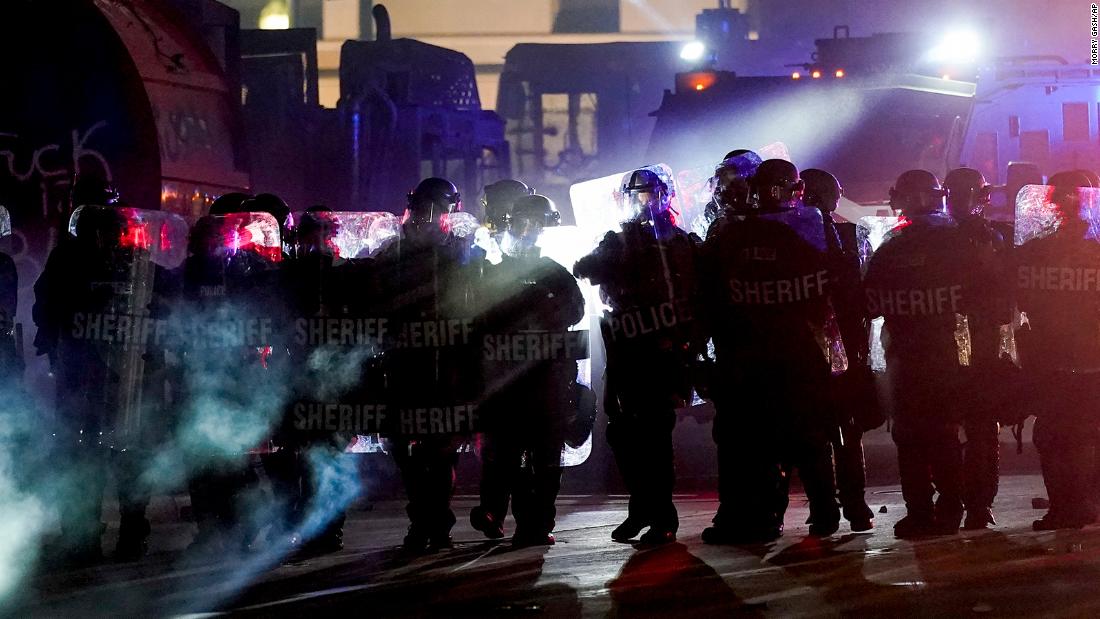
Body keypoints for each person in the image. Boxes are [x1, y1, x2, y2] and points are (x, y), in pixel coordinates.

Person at [701, 159, 843, 544]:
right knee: (777, 439)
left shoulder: (802, 227)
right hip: (771, 352)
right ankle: (794, 514)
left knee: (795, 437)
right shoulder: (745, 231)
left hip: (779, 352)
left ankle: (815, 512)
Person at [864, 169, 996, 538]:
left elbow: (869, 303)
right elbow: (985, 299)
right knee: (944, 435)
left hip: (905, 359)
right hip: (949, 356)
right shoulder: (960, 242)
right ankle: (951, 509)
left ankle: (920, 512)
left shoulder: (890, 246)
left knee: (910, 437)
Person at [574, 168, 701, 545]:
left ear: (663, 196)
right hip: (625, 350)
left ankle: (663, 518)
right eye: (636, 196)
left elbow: (693, 295)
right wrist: (621, 247)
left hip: (661, 352)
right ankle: (642, 509)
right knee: (621, 433)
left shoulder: (679, 242)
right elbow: (586, 268)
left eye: (648, 195)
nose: (642, 203)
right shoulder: (619, 240)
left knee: (655, 437)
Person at [472, 194, 585, 546]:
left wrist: (542, 314)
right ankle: (497, 512)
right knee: (502, 453)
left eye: (535, 225)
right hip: (507, 383)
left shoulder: (554, 273)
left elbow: (576, 311)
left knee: (546, 459)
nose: (528, 232)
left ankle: (536, 524)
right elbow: (478, 319)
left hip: (547, 382)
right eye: (522, 224)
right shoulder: (494, 270)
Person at [377, 177, 476, 553]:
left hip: (447, 368)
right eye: (422, 210)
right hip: (405, 366)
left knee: (440, 451)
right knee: (406, 451)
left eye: (436, 211)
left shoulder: (465, 253)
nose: (427, 218)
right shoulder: (393, 251)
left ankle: (434, 524)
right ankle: (424, 520)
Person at [1014, 170, 1100, 530]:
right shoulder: (1095, 250)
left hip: (1051, 359)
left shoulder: (1033, 252)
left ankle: (1069, 506)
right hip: (1086, 360)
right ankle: (1079, 505)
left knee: (1056, 435)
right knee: (1081, 433)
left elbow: (1016, 299)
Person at [801, 168, 876, 533]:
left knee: (835, 430)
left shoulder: (845, 235)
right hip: (825, 345)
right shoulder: (842, 236)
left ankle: (838, 506)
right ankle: (839, 506)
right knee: (832, 430)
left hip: (834, 344)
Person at [943, 167, 1012, 530]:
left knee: (953, 427)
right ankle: (977, 504)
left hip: (947, 346)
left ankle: (963, 503)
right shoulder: (992, 238)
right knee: (980, 428)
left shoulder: (932, 237)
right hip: (974, 345)